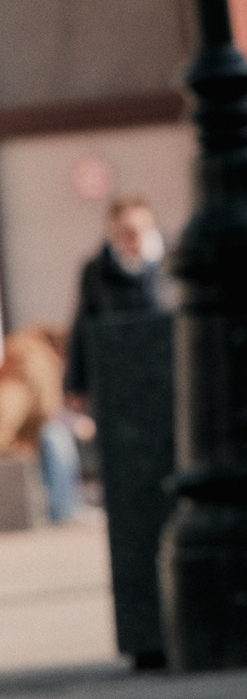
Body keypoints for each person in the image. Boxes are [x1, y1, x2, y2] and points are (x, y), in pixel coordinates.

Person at [66, 193, 167, 411]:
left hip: (162, 373)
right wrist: (75, 384)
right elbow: (83, 323)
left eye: (142, 230)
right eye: (128, 233)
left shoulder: (168, 265)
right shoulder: (97, 270)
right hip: (117, 377)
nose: (135, 239)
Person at [0, 325, 89, 523]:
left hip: (17, 428)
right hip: (12, 431)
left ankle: (66, 507)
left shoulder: (26, 352)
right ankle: (63, 509)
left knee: (56, 434)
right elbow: (37, 406)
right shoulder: (35, 357)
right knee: (57, 436)